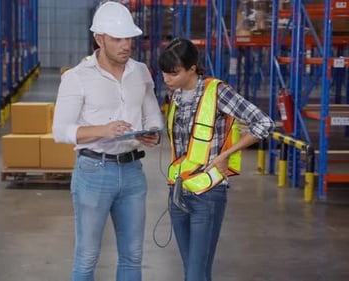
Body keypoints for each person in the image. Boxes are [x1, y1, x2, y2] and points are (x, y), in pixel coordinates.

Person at [52, 2, 164, 281]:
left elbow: (153, 116)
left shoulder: (140, 71)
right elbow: (61, 131)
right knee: (87, 257)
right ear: (99, 39)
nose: (126, 45)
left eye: (129, 38)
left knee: (133, 256)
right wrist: (103, 130)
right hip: (94, 172)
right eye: (117, 39)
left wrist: (150, 132)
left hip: (133, 172)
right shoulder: (76, 78)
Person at [158, 38, 275, 281]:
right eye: (164, 73)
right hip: (178, 192)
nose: (167, 79)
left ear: (192, 68)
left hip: (208, 195)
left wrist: (227, 154)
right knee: (196, 272)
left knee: (194, 274)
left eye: (173, 73)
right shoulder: (176, 97)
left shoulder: (218, 92)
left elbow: (263, 123)